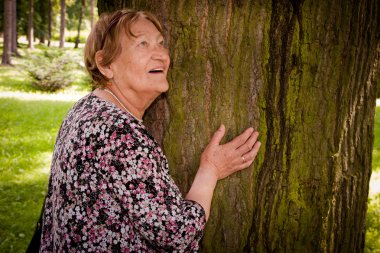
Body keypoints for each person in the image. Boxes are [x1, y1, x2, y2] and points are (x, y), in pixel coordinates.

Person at [39, 9, 261, 252]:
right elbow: (176, 233)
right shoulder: (118, 132)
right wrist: (211, 169)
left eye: (160, 43)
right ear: (105, 64)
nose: (161, 55)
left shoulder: (85, 109)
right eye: (142, 44)